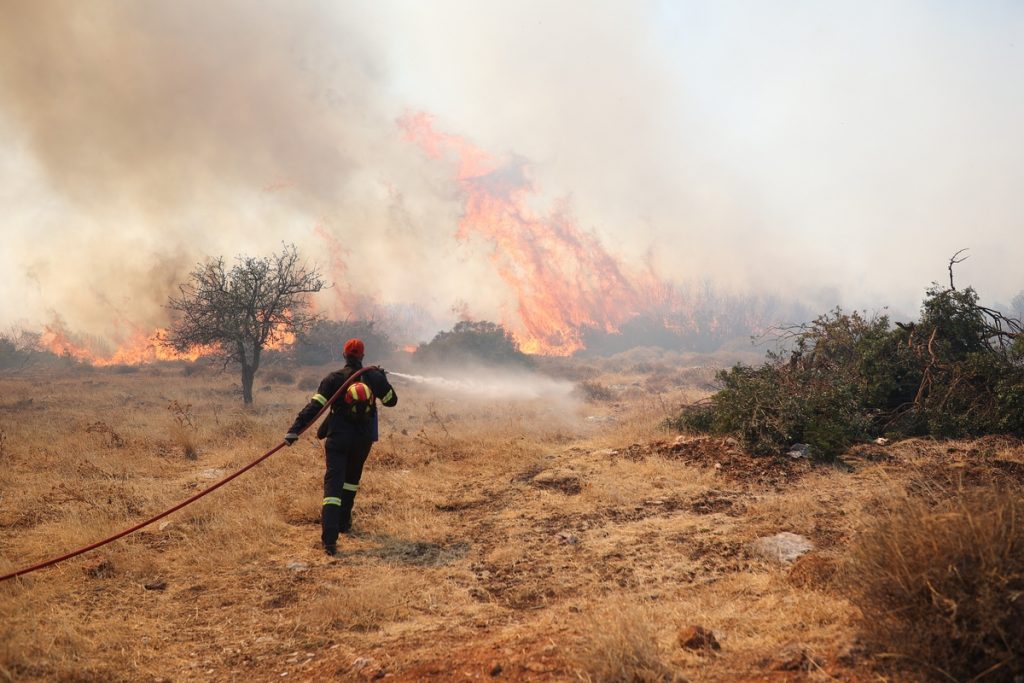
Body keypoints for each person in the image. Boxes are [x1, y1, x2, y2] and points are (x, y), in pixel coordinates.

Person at [284, 338, 397, 556]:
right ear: (362, 356)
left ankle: (330, 540)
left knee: (333, 486)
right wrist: (382, 379)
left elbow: (315, 406)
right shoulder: (373, 376)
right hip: (363, 440)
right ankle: (344, 523)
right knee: (351, 482)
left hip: (338, 439)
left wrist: (294, 431)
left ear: (344, 355)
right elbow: (391, 401)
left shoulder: (333, 378)